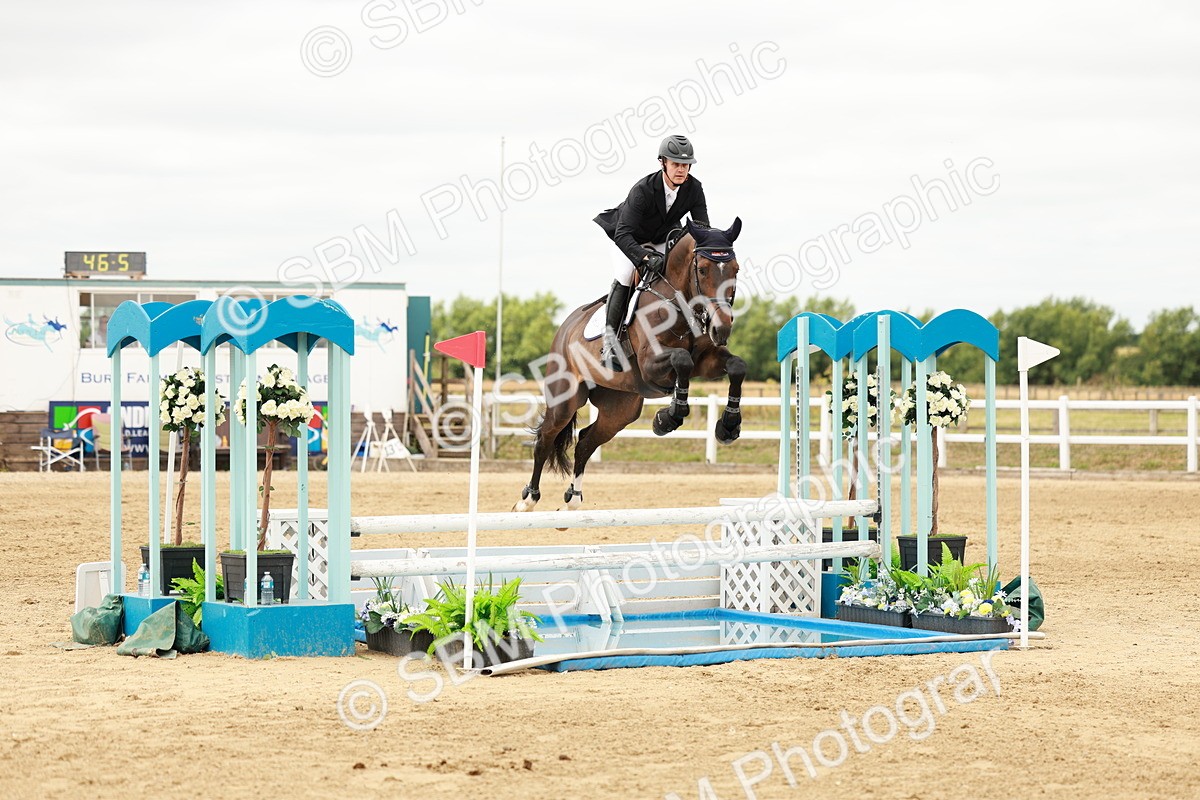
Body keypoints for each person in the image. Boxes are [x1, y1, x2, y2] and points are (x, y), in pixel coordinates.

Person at [593, 134, 710, 371]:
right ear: (663, 163)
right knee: (626, 274)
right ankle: (610, 341)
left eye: (685, 165)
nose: (681, 170)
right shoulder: (643, 190)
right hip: (627, 237)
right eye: (676, 164)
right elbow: (623, 234)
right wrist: (644, 257)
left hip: (661, 237)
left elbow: (702, 229)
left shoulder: (694, 189)